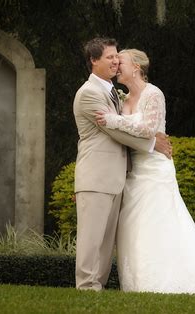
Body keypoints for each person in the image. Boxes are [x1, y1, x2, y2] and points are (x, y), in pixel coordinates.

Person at [95, 49, 195, 296]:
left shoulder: (154, 94)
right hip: (133, 170)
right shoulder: (122, 99)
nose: (117, 66)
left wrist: (113, 120)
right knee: (134, 226)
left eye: (122, 63)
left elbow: (149, 128)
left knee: (160, 223)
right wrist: (115, 120)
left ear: (137, 67)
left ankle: (167, 281)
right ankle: (139, 285)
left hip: (155, 168)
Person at [73, 38, 172, 291]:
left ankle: (99, 286)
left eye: (117, 56)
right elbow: (114, 132)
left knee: (106, 241)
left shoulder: (114, 93)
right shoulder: (89, 93)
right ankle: (86, 287)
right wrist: (152, 145)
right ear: (94, 61)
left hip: (117, 175)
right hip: (96, 174)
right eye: (109, 57)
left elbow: (121, 124)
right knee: (91, 238)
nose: (115, 61)